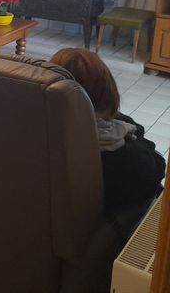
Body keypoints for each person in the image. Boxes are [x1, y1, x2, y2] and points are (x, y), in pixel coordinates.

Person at [50, 48, 166, 216]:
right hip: (108, 221)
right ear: (108, 91)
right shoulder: (122, 155)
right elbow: (158, 168)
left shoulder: (39, 133)